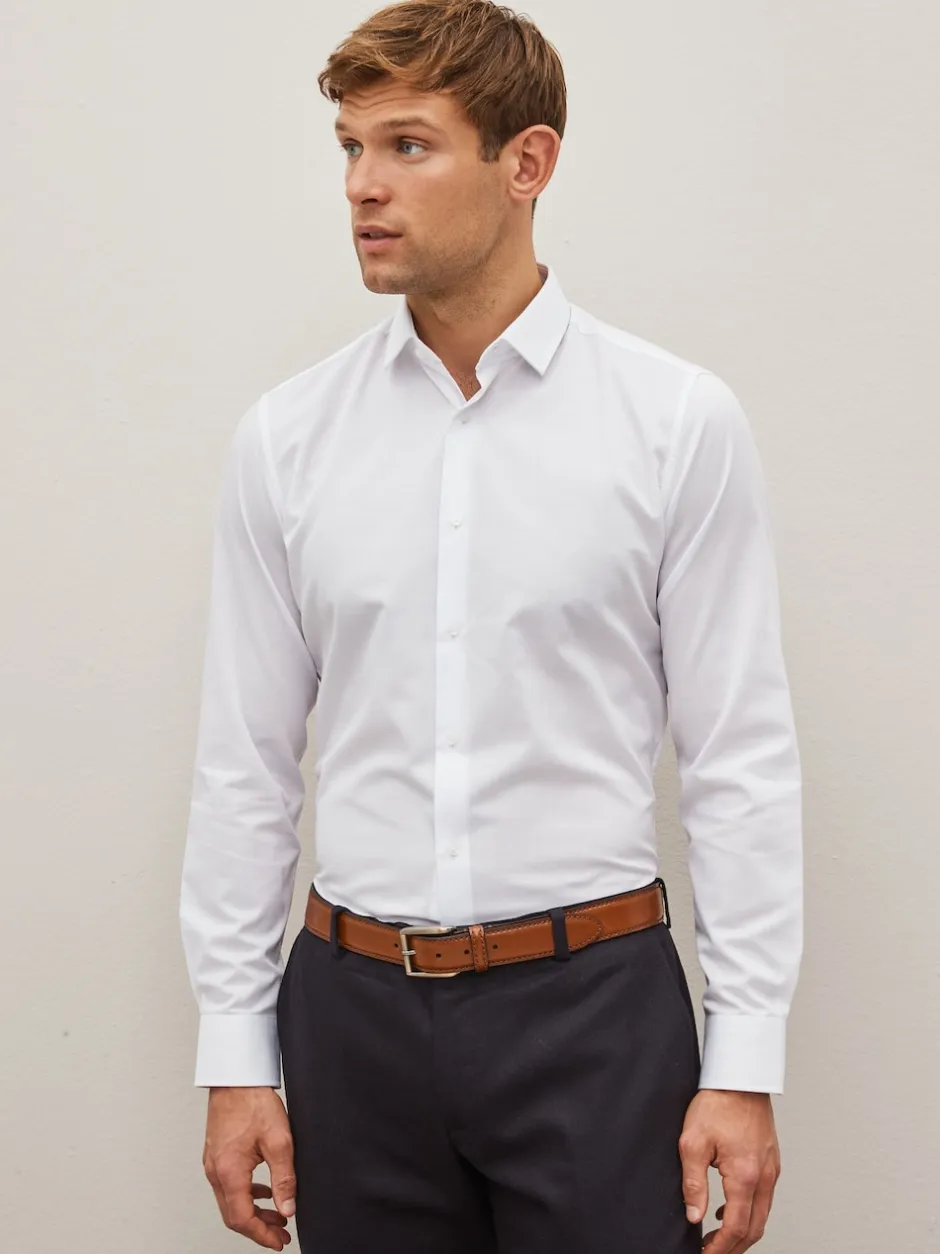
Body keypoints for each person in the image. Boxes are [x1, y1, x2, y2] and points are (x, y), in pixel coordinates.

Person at [179, 2, 803, 1251]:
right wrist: (234, 1053)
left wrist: (743, 1061)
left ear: (527, 164)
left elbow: (738, 756)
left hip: (595, 1016)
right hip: (350, 1021)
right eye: (351, 148)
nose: (361, 186)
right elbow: (243, 765)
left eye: (407, 146)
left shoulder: (674, 423)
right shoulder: (287, 440)